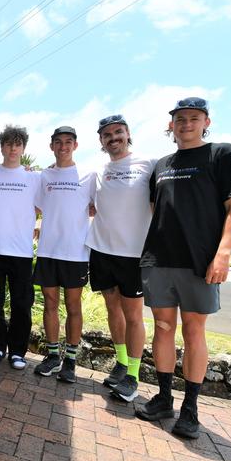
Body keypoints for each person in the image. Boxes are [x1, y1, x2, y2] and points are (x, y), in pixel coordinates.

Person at [136, 97, 231, 439]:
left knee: (194, 331)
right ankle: (165, 398)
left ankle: (191, 409)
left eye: (193, 117)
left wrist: (223, 253)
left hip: (200, 261)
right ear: (171, 124)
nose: (186, 123)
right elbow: (158, 210)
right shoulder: (162, 164)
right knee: (163, 327)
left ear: (205, 121)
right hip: (159, 259)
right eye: (180, 118)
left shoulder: (223, 154)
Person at [86, 115, 154, 401]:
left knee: (134, 315)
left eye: (118, 132)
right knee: (113, 310)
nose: (113, 138)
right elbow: (89, 206)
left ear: (128, 134)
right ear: (101, 141)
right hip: (102, 251)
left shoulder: (148, 165)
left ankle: (134, 376)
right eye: (106, 135)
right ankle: (122, 363)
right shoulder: (97, 171)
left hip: (133, 255)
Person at [33, 126, 96, 383]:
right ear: (51, 146)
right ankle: (52, 355)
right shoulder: (43, 176)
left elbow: (97, 207)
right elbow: (35, 207)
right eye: (58, 142)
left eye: (68, 142)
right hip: (48, 250)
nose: (63, 146)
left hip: (76, 252)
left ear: (75, 146)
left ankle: (70, 359)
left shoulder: (89, 176)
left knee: (73, 306)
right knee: (49, 303)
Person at [0, 125, 40, 370]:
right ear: (2, 146)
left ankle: (17, 351)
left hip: (22, 252)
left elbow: (46, 205)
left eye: (17, 144)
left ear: (23, 148)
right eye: (8, 144)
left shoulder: (34, 177)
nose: (13, 148)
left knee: (21, 304)